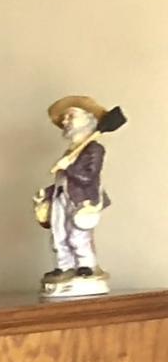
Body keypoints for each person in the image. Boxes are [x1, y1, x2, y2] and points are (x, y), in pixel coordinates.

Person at [37, 94, 126, 293]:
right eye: (64, 118)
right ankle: (64, 266)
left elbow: (88, 176)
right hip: (62, 197)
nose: (65, 121)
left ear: (88, 119)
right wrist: (48, 193)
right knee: (59, 233)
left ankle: (85, 265)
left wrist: (68, 167)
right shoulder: (71, 151)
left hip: (82, 200)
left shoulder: (94, 149)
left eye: (71, 116)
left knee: (77, 235)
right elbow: (63, 182)